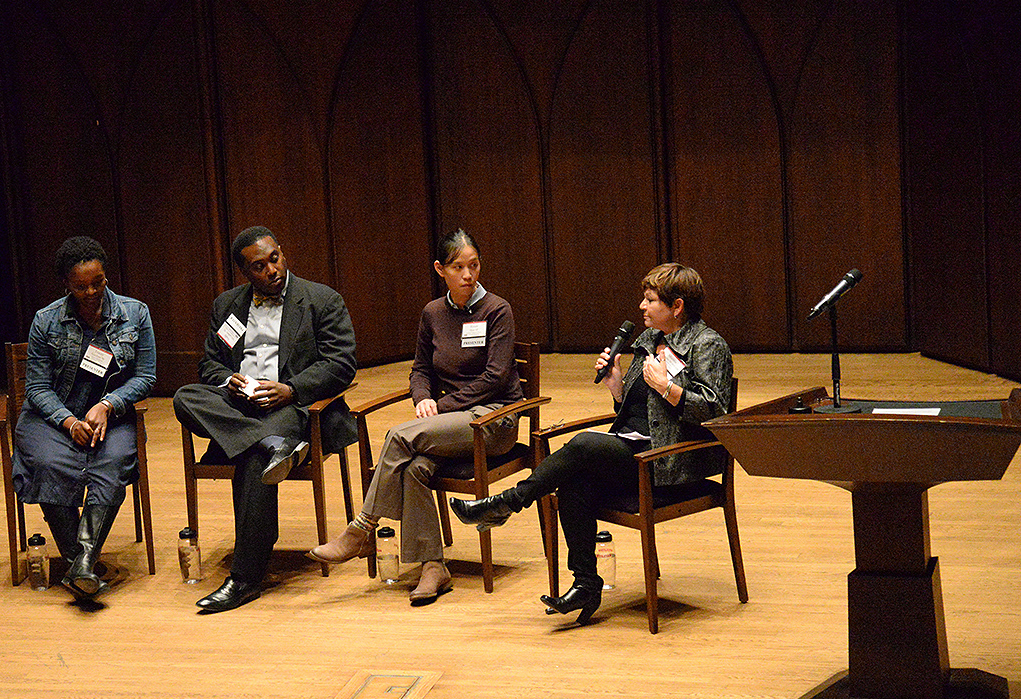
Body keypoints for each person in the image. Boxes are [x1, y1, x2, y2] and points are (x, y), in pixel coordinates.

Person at [450, 263, 732, 625]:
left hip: (670, 462)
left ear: (677, 306)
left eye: (650, 300)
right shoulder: (648, 342)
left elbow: (716, 412)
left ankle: (509, 502)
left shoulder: (708, 345)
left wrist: (669, 387)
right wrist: (617, 386)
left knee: (582, 446)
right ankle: (585, 583)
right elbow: (635, 411)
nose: (642, 307)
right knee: (574, 482)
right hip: (634, 449)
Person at [309, 230, 523, 605]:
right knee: (413, 468)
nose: (468, 275)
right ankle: (433, 566)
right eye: (458, 267)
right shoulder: (433, 313)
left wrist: (442, 406)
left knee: (398, 436)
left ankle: (362, 530)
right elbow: (421, 369)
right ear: (441, 269)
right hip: (453, 422)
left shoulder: (497, 310)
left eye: (474, 266)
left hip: (493, 420)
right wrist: (423, 398)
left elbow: (497, 377)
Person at [173, 226, 358, 613]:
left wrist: (290, 389)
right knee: (185, 397)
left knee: (254, 460)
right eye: (259, 266)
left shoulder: (321, 300)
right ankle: (268, 442)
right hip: (237, 404)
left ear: (282, 253)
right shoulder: (227, 305)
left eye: (274, 258)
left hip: (290, 406)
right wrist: (229, 380)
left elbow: (341, 364)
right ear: (246, 272)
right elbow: (209, 362)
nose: (271, 270)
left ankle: (244, 579)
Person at [12, 236, 157, 598]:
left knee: (114, 462)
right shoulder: (46, 320)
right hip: (53, 418)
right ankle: (81, 562)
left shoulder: (134, 313)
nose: (91, 291)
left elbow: (146, 376)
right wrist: (69, 422)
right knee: (48, 461)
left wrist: (109, 404)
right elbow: (37, 388)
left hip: (112, 415)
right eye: (81, 286)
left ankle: (81, 564)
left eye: (98, 282)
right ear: (66, 284)